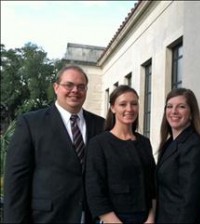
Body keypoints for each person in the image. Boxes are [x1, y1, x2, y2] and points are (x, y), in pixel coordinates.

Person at [4, 65, 105, 223]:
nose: (75, 90)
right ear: (56, 87)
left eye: (81, 86)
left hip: (91, 217)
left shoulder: (100, 125)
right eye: (68, 85)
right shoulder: (31, 123)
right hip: (46, 218)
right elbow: (16, 181)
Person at [85, 85, 156, 223]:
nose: (129, 109)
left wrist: (151, 218)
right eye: (123, 104)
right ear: (112, 108)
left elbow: (153, 185)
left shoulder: (144, 142)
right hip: (114, 219)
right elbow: (95, 191)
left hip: (146, 218)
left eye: (134, 104)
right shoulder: (99, 144)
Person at [155, 88, 200, 223]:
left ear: (191, 113)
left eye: (181, 107)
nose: (174, 111)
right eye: (169, 106)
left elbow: (190, 199)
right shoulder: (169, 143)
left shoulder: (194, 145)